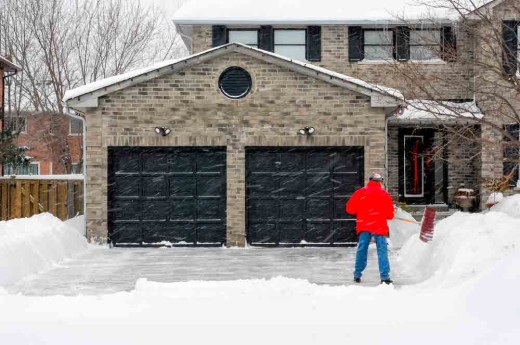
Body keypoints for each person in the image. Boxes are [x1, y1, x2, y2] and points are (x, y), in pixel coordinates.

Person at [346, 173, 395, 284]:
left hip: (364, 226)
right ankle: (384, 277)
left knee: (362, 250)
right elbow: (390, 216)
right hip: (379, 227)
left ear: (370, 180)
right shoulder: (384, 194)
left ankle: (357, 274)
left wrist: (362, 209)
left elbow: (350, 209)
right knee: (382, 251)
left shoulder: (360, 193)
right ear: (380, 182)